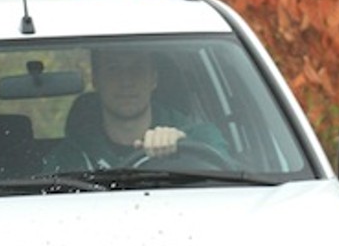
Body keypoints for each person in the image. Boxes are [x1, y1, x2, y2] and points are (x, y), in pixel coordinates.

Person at [53, 46, 231, 169]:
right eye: (113, 69)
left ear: (153, 79)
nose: (126, 82)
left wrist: (184, 148)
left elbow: (231, 178)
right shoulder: (72, 155)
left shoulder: (199, 136)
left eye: (137, 69)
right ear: (96, 81)